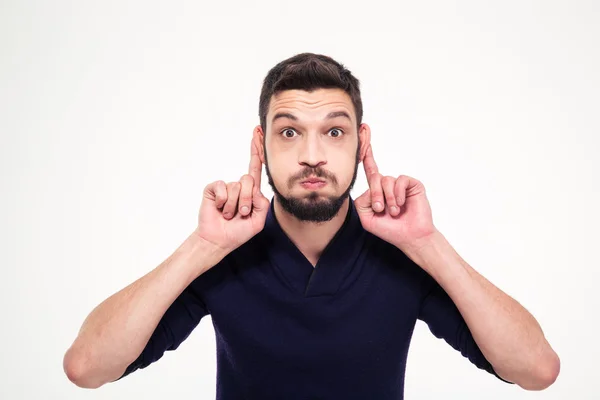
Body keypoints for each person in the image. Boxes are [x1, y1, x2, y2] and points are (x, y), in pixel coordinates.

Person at [63, 53, 560, 399]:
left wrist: (428, 243)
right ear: (261, 145)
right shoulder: (224, 254)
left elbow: (537, 371)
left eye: (335, 132)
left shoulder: (402, 254)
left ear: (361, 143)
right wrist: (200, 247)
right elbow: (86, 368)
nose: (312, 156)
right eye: (289, 132)